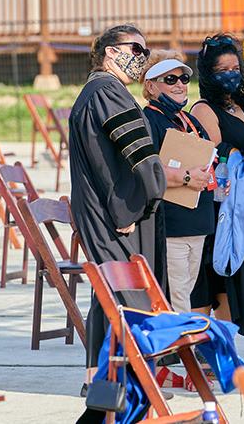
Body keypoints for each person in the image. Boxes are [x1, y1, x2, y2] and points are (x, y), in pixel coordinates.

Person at [69, 25, 166, 387]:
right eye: (135, 49)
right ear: (110, 52)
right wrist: (134, 205)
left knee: (107, 295)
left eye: (145, 50)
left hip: (107, 210)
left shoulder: (100, 91)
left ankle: (99, 379)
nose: (141, 57)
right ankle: (133, 383)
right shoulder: (107, 92)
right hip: (115, 213)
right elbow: (128, 159)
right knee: (129, 296)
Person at [190, 34, 244, 340]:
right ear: (209, 74)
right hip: (221, 207)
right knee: (217, 280)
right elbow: (215, 156)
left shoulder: (241, 104)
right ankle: (203, 351)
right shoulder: (204, 110)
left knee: (233, 285)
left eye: (235, 67)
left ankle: (224, 350)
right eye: (222, 69)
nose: (231, 73)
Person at [141, 50, 215, 313]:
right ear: (150, 86)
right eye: (170, 79)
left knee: (186, 290)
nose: (180, 84)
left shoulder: (189, 119)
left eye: (183, 78)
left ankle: (184, 348)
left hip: (198, 221)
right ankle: (183, 349)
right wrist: (186, 177)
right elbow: (148, 169)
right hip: (172, 222)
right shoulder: (149, 119)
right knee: (177, 293)